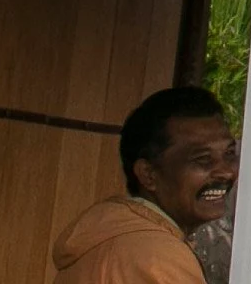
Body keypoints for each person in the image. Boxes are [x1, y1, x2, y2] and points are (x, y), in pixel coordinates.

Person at [56, 85, 240, 284]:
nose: (227, 172)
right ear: (148, 175)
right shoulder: (156, 255)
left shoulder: (115, 239)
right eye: (203, 158)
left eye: (229, 154)